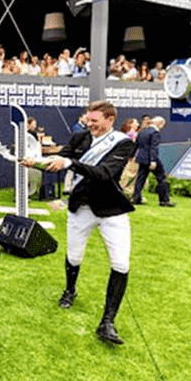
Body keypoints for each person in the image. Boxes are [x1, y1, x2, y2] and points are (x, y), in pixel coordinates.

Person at [21, 100, 136, 345]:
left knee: (121, 263)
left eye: (95, 121)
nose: (89, 124)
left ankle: (107, 322)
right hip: (80, 207)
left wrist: (72, 163)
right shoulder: (79, 138)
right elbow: (60, 160)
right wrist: (36, 162)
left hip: (112, 209)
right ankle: (70, 290)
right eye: (88, 119)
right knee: (74, 257)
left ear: (109, 120)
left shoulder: (123, 143)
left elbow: (105, 173)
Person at [132, 116, 175, 207]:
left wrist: (132, 156)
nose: (162, 127)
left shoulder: (142, 131)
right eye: (162, 125)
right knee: (161, 177)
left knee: (140, 178)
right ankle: (164, 200)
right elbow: (153, 147)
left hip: (141, 158)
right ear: (159, 123)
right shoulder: (155, 132)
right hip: (150, 159)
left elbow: (136, 144)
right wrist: (153, 160)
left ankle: (136, 198)